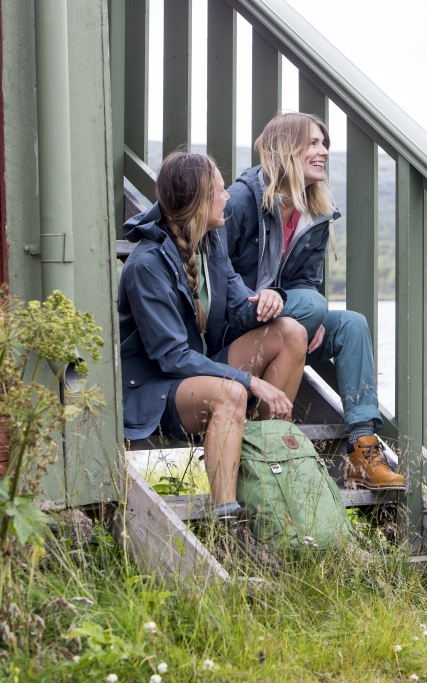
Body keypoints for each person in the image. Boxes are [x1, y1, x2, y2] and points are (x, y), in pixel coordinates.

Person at [118, 151, 308, 517]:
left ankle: (266, 479)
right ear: (199, 201)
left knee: (291, 333)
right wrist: (252, 382)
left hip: (202, 369)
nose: (227, 199)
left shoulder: (211, 242)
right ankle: (228, 521)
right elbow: (172, 357)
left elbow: (239, 308)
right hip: (155, 388)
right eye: (220, 191)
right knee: (232, 393)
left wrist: (268, 300)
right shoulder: (146, 265)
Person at [223, 112, 404, 491]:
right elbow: (215, 274)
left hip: (282, 320)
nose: (323, 151)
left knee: (351, 324)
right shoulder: (241, 201)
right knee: (311, 306)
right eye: (313, 143)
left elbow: (306, 281)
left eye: (325, 143)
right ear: (285, 148)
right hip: (232, 328)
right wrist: (282, 301)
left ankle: (363, 450)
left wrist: (311, 316)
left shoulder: (314, 212)